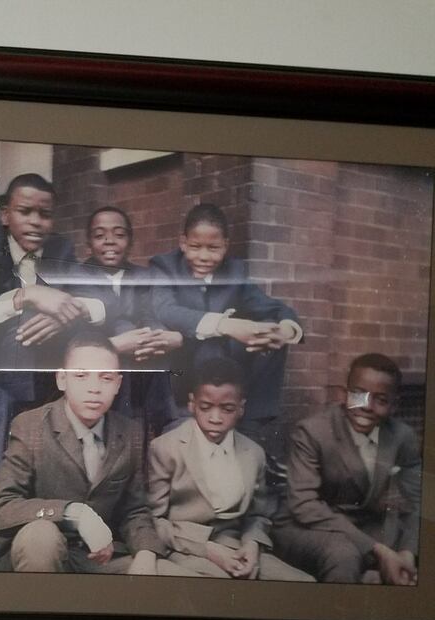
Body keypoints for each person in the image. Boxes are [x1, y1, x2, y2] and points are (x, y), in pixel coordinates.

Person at [0, 173, 100, 569]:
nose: (35, 221)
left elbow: (106, 303)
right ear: (5, 215)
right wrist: (28, 295)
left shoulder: (62, 250)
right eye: (25, 211)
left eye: (44, 214)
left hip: (44, 376)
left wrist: (64, 315)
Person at [0, 332, 170, 575]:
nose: (94, 388)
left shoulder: (129, 431)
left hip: (99, 557)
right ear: (61, 379)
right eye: (81, 376)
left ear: (118, 384)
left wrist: (145, 553)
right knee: (42, 535)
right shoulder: (31, 425)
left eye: (106, 378)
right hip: (37, 551)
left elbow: (135, 510)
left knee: (169, 575)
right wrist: (73, 513)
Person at [147, 357, 313, 580]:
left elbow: (258, 515)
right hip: (185, 548)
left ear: (241, 408)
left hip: (237, 546)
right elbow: (153, 521)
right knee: (223, 589)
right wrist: (208, 550)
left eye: (227, 408)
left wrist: (252, 544)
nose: (215, 418)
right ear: (192, 403)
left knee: (302, 583)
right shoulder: (166, 448)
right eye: (206, 407)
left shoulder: (253, 453)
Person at [149, 203, 303, 434]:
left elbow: (271, 307)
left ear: (226, 245)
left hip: (223, 364)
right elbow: (166, 310)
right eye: (195, 247)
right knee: (211, 340)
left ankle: (255, 425)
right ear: (183, 243)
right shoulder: (165, 266)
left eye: (213, 248)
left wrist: (285, 330)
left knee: (269, 339)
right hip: (183, 367)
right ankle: (194, 415)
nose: (203, 256)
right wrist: (225, 324)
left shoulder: (234, 271)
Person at [271, 353, 422, 584]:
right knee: (343, 555)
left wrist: (407, 553)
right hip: (305, 526)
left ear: (394, 405)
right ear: (344, 394)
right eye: (358, 395)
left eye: (380, 400)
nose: (367, 407)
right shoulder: (313, 431)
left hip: (364, 526)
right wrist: (377, 549)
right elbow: (304, 506)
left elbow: (415, 503)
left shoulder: (402, 437)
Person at [69, 205, 182, 430]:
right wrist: (132, 337)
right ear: (88, 244)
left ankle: (161, 422)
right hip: (100, 355)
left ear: (130, 242)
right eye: (100, 235)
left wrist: (153, 336)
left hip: (140, 354)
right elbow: (102, 321)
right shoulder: (78, 275)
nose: (110, 241)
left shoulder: (142, 275)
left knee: (159, 342)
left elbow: (149, 312)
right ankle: (123, 425)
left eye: (119, 234)